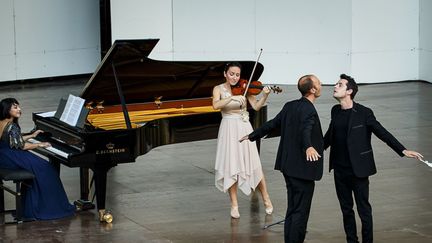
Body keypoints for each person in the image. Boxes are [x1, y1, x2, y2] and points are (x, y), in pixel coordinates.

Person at [324, 74, 424, 243]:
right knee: (346, 209)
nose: (335, 86)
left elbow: (382, 133)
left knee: (364, 210)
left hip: (359, 170)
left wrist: (402, 150)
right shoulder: (335, 111)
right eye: (336, 84)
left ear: (349, 91)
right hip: (340, 170)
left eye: (339, 85)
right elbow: (329, 137)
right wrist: (313, 148)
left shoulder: (364, 113)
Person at [240, 74, 324, 243]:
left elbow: (273, 123)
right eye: (319, 83)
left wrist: (253, 134)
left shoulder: (290, 105)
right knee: (300, 212)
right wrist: (308, 146)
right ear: (313, 90)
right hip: (302, 170)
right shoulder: (309, 109)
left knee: (292, 209)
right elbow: (305, 129)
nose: (321, 85)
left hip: (288, 167)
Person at [213, 62, 273, 219]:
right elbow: (215, 105)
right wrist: (232, 97)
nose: (235, 77)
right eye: (231, 74)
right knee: (231, 166)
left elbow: (257, 106)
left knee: (254, 163)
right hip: (228, 128)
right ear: (225, 73)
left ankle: (266, 198)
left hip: (244, 127)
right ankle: (234, 205)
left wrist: (265, 95)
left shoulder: (245, 87)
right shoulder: (218, 89)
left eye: (237, 75)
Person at [0, 98, 75, 220]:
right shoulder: (12, 126)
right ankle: (50, 208)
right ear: (6, 110)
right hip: (12, 157)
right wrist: (39, 144)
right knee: (47, 169)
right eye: (15, 107)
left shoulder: (2, 122)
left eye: (18, 106)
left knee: (40, 168)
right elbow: (21, 146)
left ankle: (32, 206)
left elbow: (13, 141)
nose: (19, 109)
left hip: (3, 156)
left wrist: (32, 136)